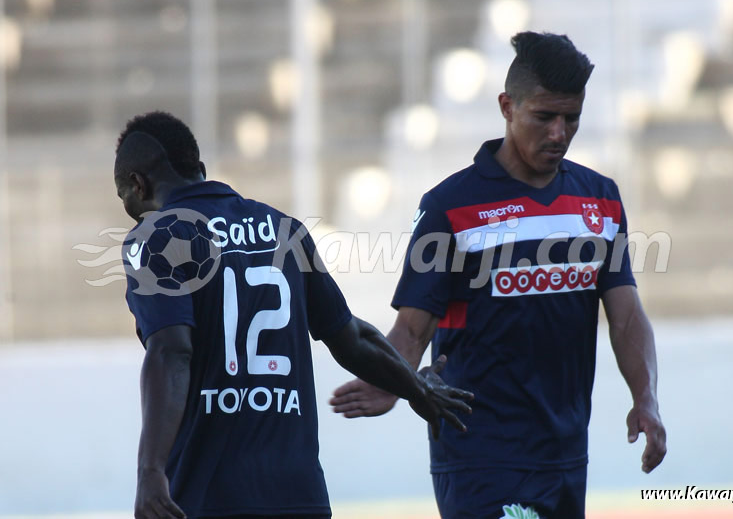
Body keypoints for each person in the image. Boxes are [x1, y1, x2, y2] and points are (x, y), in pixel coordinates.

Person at [330, 32, 667, 519]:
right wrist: (391, 380)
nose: (559, 133)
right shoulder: (450, 206)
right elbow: (413, 328)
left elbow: (627, 316)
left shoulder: (600, 199)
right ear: (507, 107)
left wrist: (646, 398)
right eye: (544, 117)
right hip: (480, 454)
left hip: (566, 454)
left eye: (571, 118)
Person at [114, 111, 473, 519]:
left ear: (138, 185)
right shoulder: (284, 229)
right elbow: (352, 338)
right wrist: (416, 388)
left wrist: (150, 470)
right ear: (200, 169)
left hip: (208, 496)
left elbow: (171, 351)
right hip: (299, 496)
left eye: (125, 198)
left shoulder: (156, 236)